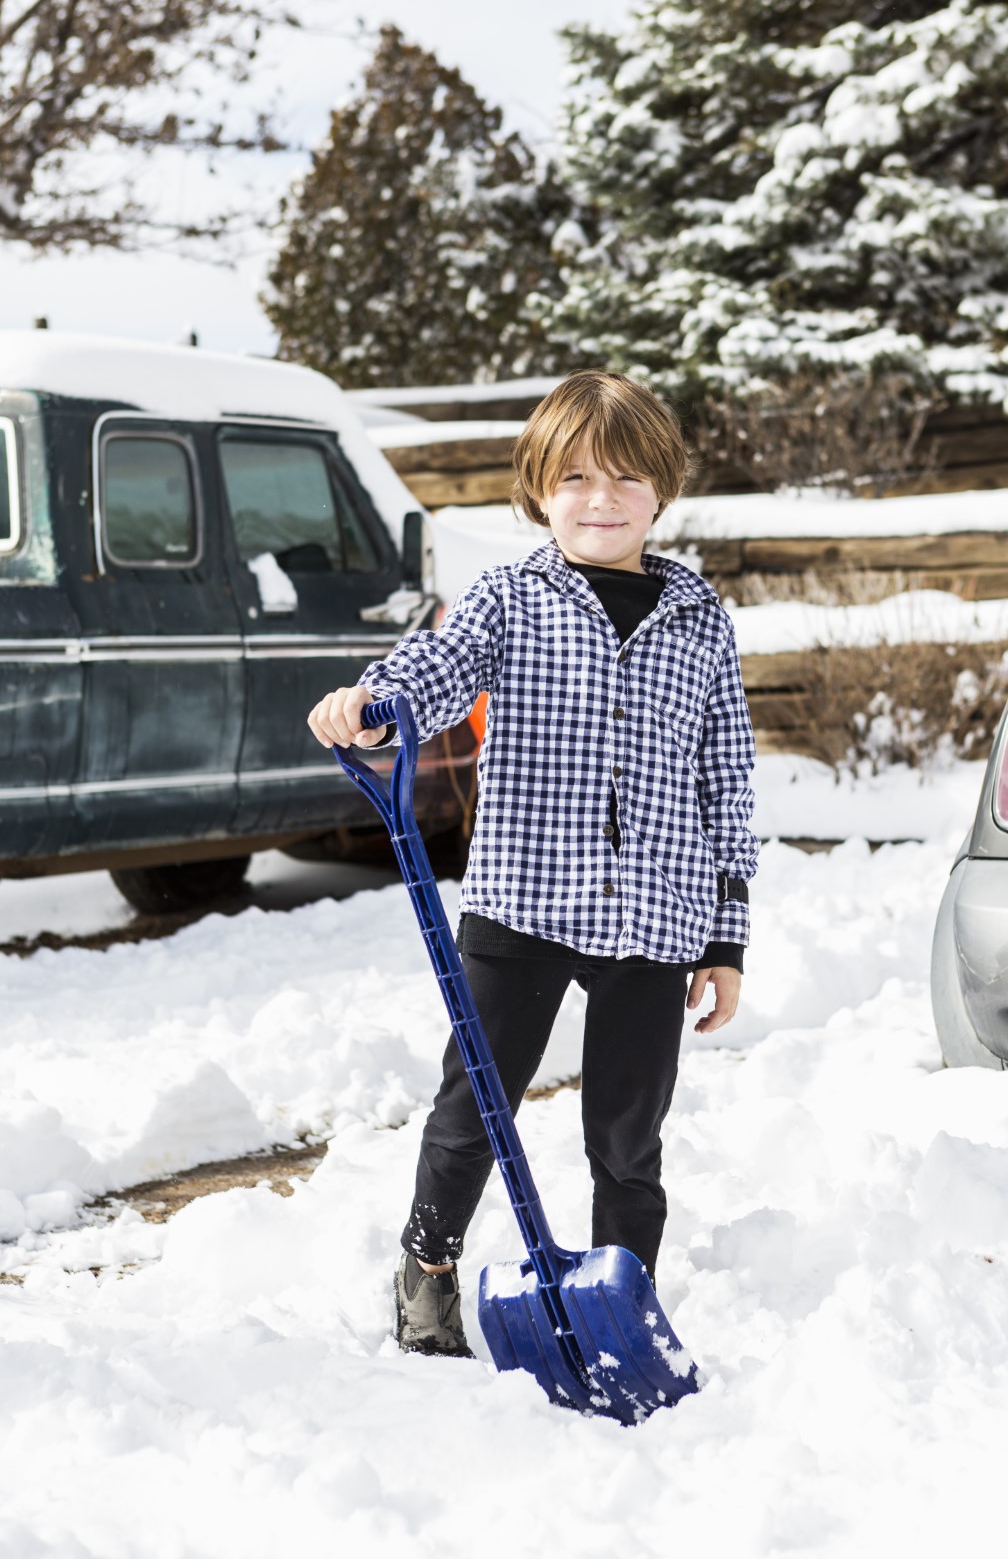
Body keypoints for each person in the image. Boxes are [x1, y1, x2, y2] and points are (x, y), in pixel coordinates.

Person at [307, 371, 758, 1357]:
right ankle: (427, 1268)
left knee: (629, 1142)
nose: (601, 500)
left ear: (662, 493)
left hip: (658, 917)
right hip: (523, 906)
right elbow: (441, 663)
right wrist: (374, 698)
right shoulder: (508, 599)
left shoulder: (700, 621)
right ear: (538, 491)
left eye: (627, 479)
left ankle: (621, 1300)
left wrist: (726, 936)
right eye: (577, 478)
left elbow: (727, 777)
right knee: (473, 1112)